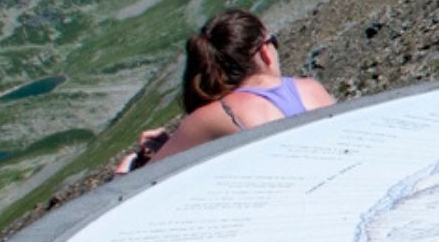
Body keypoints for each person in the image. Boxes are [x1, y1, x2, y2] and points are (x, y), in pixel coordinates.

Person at [118, 9, 334, 172]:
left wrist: (126, 169)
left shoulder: (211, 117)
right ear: (264, 53)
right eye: (273, 42)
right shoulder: (311, 88)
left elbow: (144, 182)